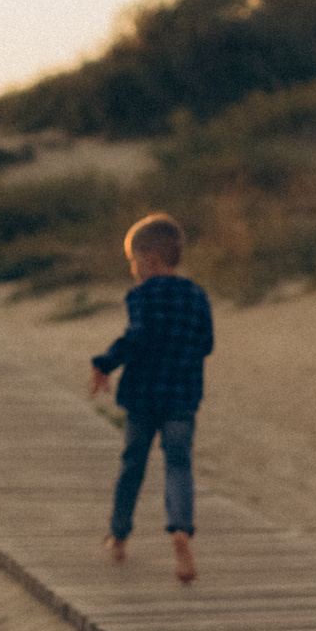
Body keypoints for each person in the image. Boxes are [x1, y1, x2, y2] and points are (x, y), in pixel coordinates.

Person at [89, 213, 215, 586]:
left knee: (133, 465)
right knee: (179, 465)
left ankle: (119, 535)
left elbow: (137, 338)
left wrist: (104, 364)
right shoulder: (197, 296)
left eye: (134, 261)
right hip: (182, 397)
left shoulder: (142, 296)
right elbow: (206, 344)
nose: (133, 269)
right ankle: (181, 529)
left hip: (143, 396)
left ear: (152, 259)